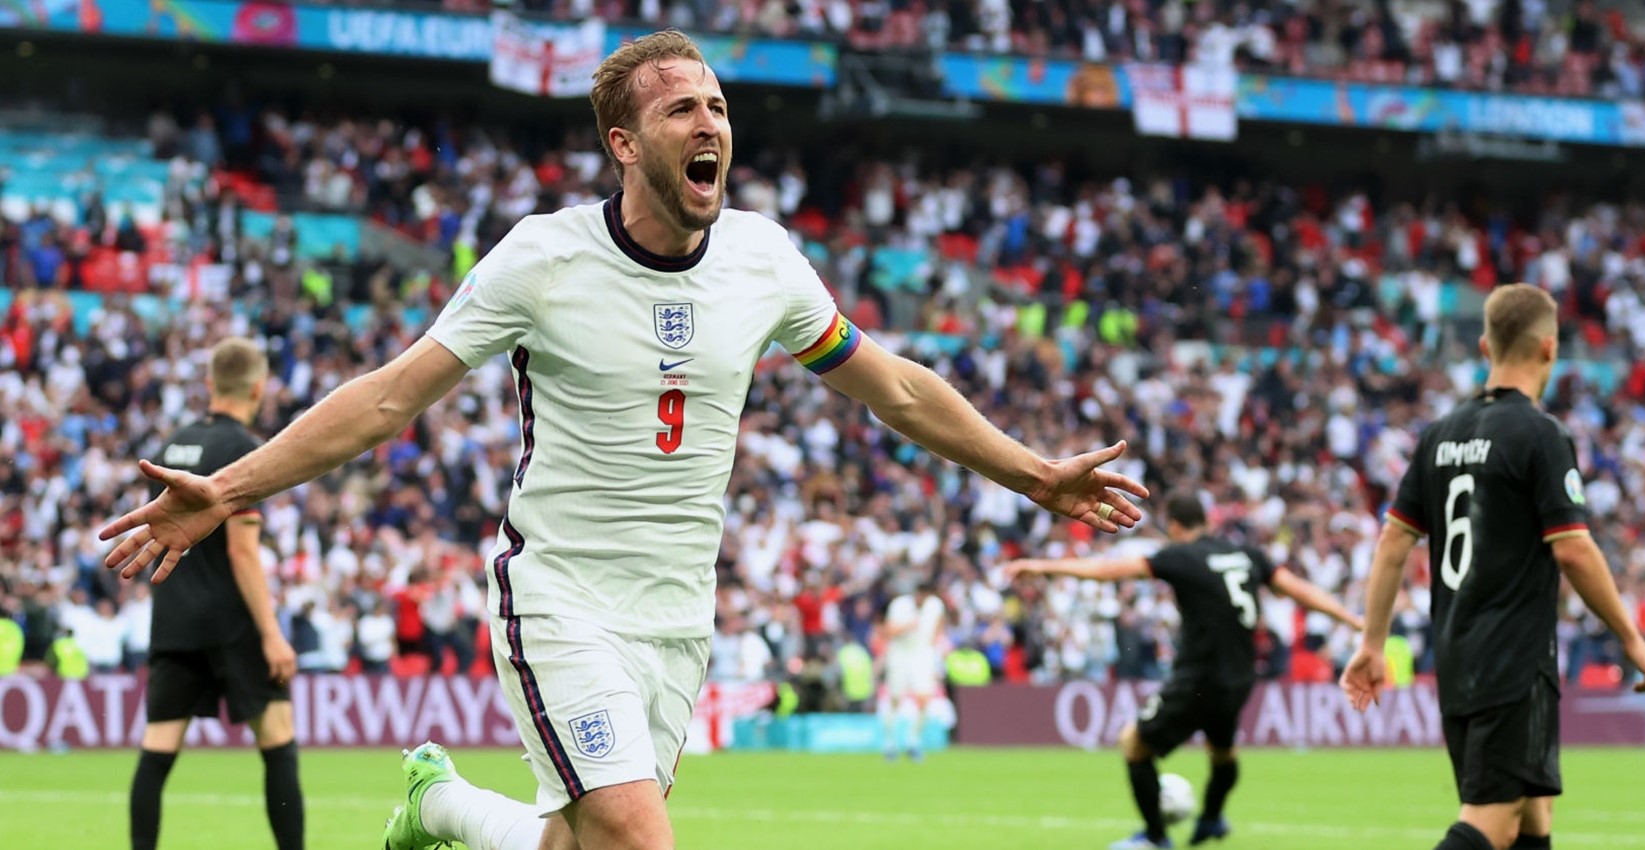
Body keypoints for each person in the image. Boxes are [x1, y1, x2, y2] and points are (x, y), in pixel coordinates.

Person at [99, 29, 1148, 850]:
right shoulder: (541, 260)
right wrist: (226, 487)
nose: (710, 122)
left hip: (677, 615)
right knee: (640, 835)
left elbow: (899, 391)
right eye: (682, 107)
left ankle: (442, 806)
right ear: (625, 144)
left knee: (580, 840)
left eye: (718, 105)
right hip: (560, 598)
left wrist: (1031, 473)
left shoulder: (765, 261)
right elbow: (387, 399)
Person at [1341, 284, 1645, 850]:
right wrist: (1632, 637)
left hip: (1458, 656)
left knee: (1532, 816)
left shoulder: (1439, 436)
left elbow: (1393, 541)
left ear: (1486, 346)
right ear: (1549, 348)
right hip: (1513, 660)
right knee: (1492, 820)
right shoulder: (1541, 434)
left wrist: (1372, 643)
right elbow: (1573, 548)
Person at [1004, 493, 1362, 850]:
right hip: (1240, 678)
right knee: (1223, 752)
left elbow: (1109, 571)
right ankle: (1211, 818)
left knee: (1134, 744)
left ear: (1174, 525)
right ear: (1205, 520)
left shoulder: (1181, 557)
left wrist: (1043, 567)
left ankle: (1156, 837)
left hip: (1199, 678)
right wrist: (1352, 619)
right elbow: (1298, 590)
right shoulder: (1247, 555)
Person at [127, 337, 302, 850]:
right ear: (259, 388)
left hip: (174, 618)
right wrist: (272, 635)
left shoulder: (170, 448)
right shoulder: (244, 450)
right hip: (232, 621)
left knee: (157, 751)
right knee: (278, 742)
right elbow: (242, 553)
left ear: (209, 383)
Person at [878, 581, 946, 762]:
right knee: (895, 698)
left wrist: (936, 651)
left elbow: (938, 627)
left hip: (922, 654)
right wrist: (908, 625)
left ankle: (913, 741)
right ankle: (890, 742)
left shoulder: (935, 605)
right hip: (900, 653)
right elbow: (888, 630)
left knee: (924, 698)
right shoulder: (900, 605)